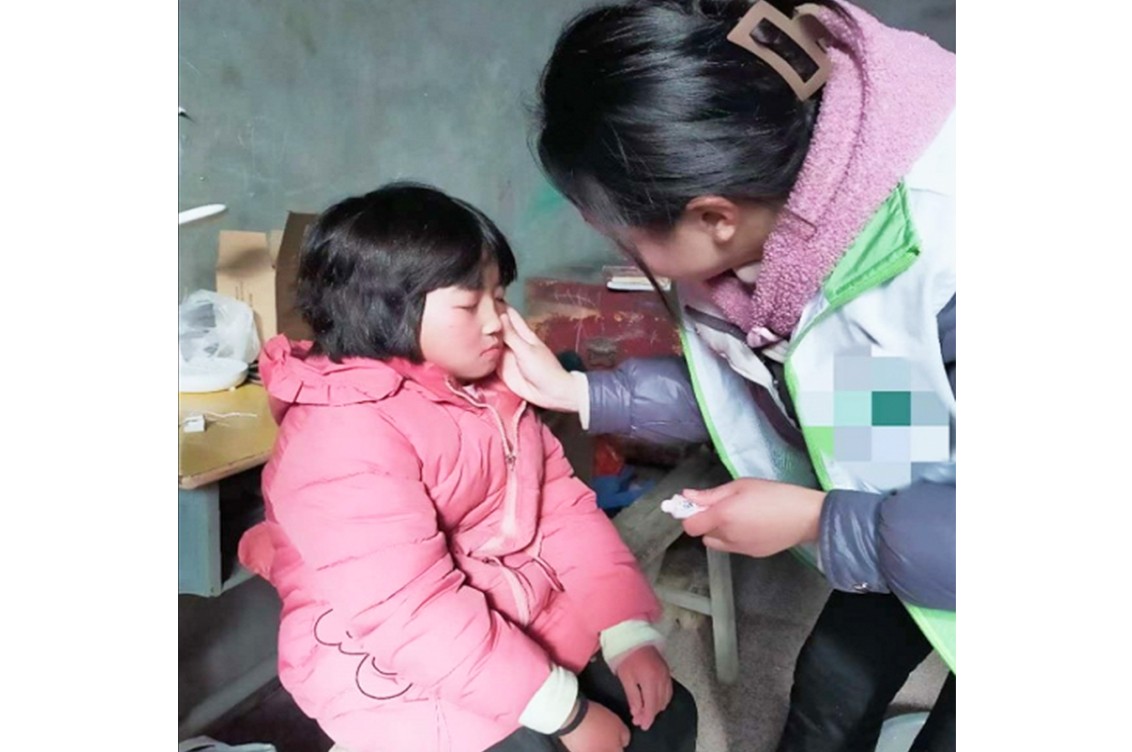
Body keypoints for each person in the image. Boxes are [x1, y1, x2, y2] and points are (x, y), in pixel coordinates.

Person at [497, 1, 956, 749]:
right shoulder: (780, 246)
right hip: (908, 506)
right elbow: (784, 390)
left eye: (623, 236)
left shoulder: (954, 251)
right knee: (830, 687)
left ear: (712, 216)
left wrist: (814, 519)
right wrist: (584, 391)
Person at [237, 183, 698, 752]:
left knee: (668, 716)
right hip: (402, 673)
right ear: (387, 308)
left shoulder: (486, 390)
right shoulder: (341, 433)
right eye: (468, 303)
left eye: (499, 297)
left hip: (505, 620)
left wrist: (626, 629)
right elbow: (413, 614)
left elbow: (562, 510)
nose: (496, 322)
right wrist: (569, 715)